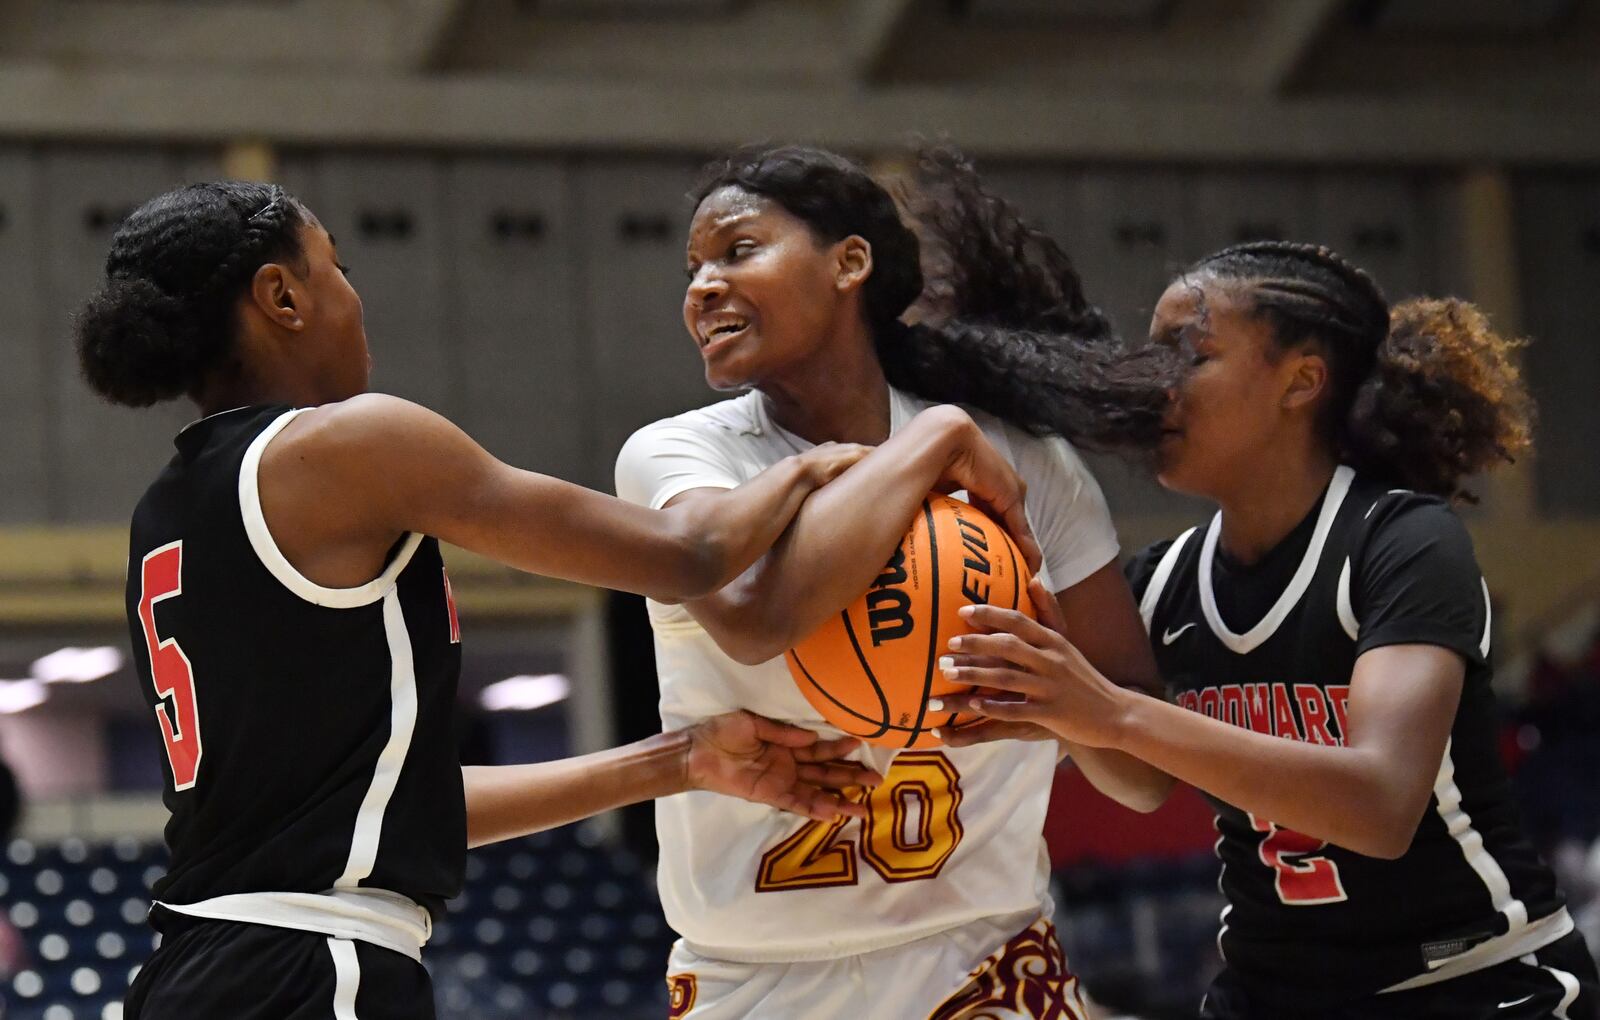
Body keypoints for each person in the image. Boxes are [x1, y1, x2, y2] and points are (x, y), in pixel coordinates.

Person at [73, 181, 889, 1019]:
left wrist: (679, 762)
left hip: (196, 971)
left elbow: (389, 805)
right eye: (337, 269)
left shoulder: (164, 512)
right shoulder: (353, 445)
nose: (356, 298)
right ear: (282, 297)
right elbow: (691, 553)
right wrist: (829, 461)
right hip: (312, 968)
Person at [937, 241, 1599, 1018]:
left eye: (1192, 354)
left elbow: (1381, 806)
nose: (1159, 384)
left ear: (1301, 381)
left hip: (1470, 984)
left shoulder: (1403, 542)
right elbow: (1141, 781)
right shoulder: (1167, 579)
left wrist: (1113, 711)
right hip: (1270, 991)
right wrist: (1061, 708)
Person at [613, 145, 1179, 1019]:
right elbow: (756, 620)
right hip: (753, 976)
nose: (702, 287)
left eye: (738, 250)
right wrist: (934, 442)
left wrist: (1064, 693)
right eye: (693, 269)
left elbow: (1142, 780)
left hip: (983, 961)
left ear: (850, 262)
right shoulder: (684, 457)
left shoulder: (1026, 462)